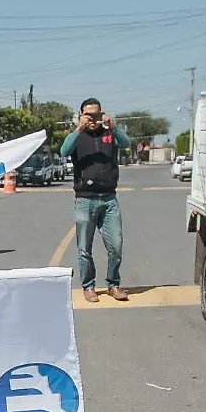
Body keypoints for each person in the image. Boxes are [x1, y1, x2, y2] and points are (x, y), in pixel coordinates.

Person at [59, 97, 132, 303]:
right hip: (85, 200)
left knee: (116, 245)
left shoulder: (109, 134)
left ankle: (113, 284)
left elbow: (126, 144)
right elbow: (63, 151)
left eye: (96, 114)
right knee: (84, 248)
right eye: (88, 115)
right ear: (81, 115)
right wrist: (78, 129)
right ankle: (88, 286)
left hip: (109, 199)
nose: (93, 119)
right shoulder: (77, 137)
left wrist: (113, 127)